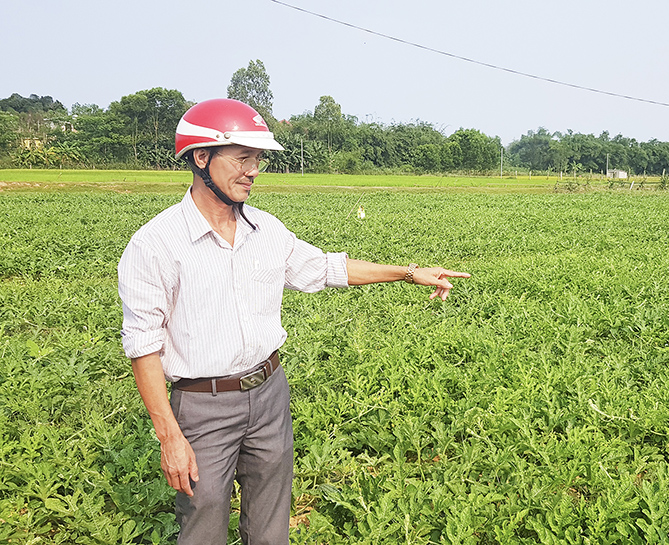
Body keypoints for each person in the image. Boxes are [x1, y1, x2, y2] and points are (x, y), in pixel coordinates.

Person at [117, 98, 470, 545]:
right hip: (203, 405)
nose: (253, 170)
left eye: (258, 159)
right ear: (201, 157)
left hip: (268, 394)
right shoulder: (156, 244)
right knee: (202, 529)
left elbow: (325, 268)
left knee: (271, 526)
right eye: (242, 157)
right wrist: (170, 437)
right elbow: (143, 346)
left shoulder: (267, 231)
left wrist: (406, 272)